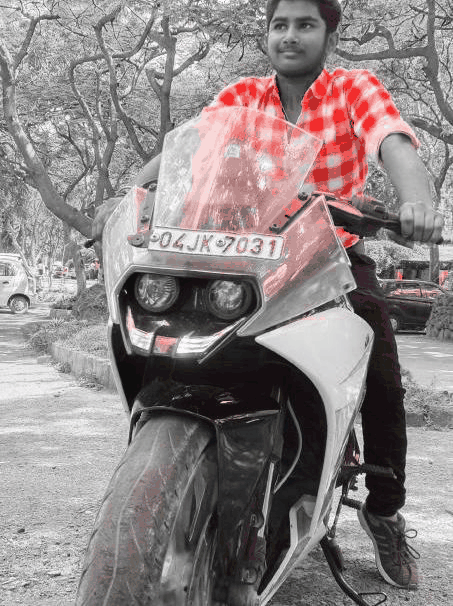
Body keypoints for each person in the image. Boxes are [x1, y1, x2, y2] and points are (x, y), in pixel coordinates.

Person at [92, 0, 444, 590]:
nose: (290, 35)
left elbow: (392, 139)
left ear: (329, 35)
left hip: (329, 258)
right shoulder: (242, 97)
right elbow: (185, 149)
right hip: (237, 257)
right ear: (267, 36)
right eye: (280, 25)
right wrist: (129, 195)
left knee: (381, 370)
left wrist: (418, 201)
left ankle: (385, 511)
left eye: (305, 24)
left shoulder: (353, 89)